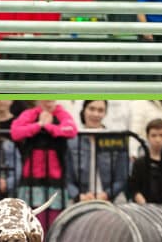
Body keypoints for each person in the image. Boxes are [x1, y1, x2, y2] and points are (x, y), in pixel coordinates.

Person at [10, 100, 78, 233]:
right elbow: (16, 132)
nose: (48, 101)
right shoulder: (30, 114)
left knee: (55, 225)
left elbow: (71, 130)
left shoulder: (62, 114)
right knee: (31, 224)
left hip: (56, 181)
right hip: (31, 181)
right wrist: (39, 125)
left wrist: (49, 127)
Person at [65, 100, 129, 203]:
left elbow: (122, 178)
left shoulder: (116, 140)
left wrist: (106, 194)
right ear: (84, 110)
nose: (96, 114)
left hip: (111, 199)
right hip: (81, 200)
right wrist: (79, 196)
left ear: (105, 113)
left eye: (100, 110)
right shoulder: (72, 141)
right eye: (91, 109)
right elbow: (67, 178)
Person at [128, 119, 162, 205]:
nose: (157, 139)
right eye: (153, 135)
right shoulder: (139, 163)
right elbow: (134, 188)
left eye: (161, 135)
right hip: (144, 208)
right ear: (147, 137)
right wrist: (144, 204)